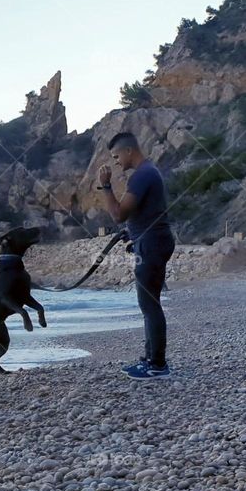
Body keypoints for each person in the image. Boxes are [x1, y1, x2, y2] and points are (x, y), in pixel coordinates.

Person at [97, 132, 176, 380]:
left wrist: (106, 186)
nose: (116, 161)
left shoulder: (142, 175)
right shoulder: (148, 172)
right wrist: (133, 233)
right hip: (151, 241)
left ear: (129, 151)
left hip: (152, 245)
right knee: (149, 304)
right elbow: (143, 215)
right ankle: (150, 358)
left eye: (116, 155)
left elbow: (118, 214)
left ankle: (157, 364)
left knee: (149, 305)